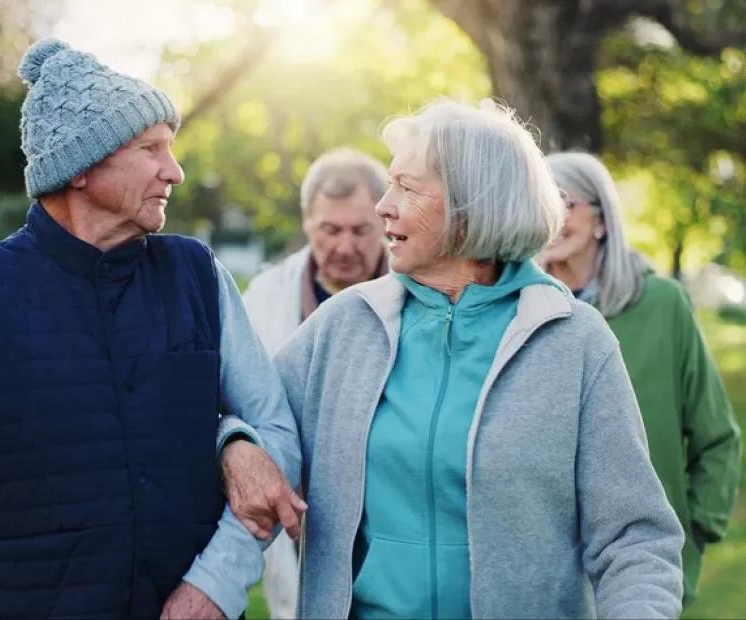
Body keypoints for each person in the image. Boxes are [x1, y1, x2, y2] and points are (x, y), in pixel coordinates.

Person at [0, 38, 303, 620]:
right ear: (81, 169)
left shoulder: (198, 275)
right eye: (150, 148)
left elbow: (275, 429)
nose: (173, 171)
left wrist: (215, 587)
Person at [266, 100, 685, 618]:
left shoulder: (574, 341)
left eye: (408, 187)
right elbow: (254, 419)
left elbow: (635, 539)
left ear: (470, 206)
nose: (383, 206)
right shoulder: (346, 324)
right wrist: (236, 443)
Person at [542, 151, 742, 605]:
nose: (552, 218)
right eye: (540, 205)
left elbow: (717, 439)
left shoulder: (663, 304)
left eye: (565, 203)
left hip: (637, 565)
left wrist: (694, 533)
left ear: (602, 220)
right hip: (546, 568)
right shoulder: (519, 310)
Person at [242, 147, 388, 618]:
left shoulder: (419, 291)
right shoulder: (265, 298)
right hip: (301, 524)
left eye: (361, 230)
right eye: (330, 230)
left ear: (386, 222)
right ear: (307, 223)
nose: (345, 246)